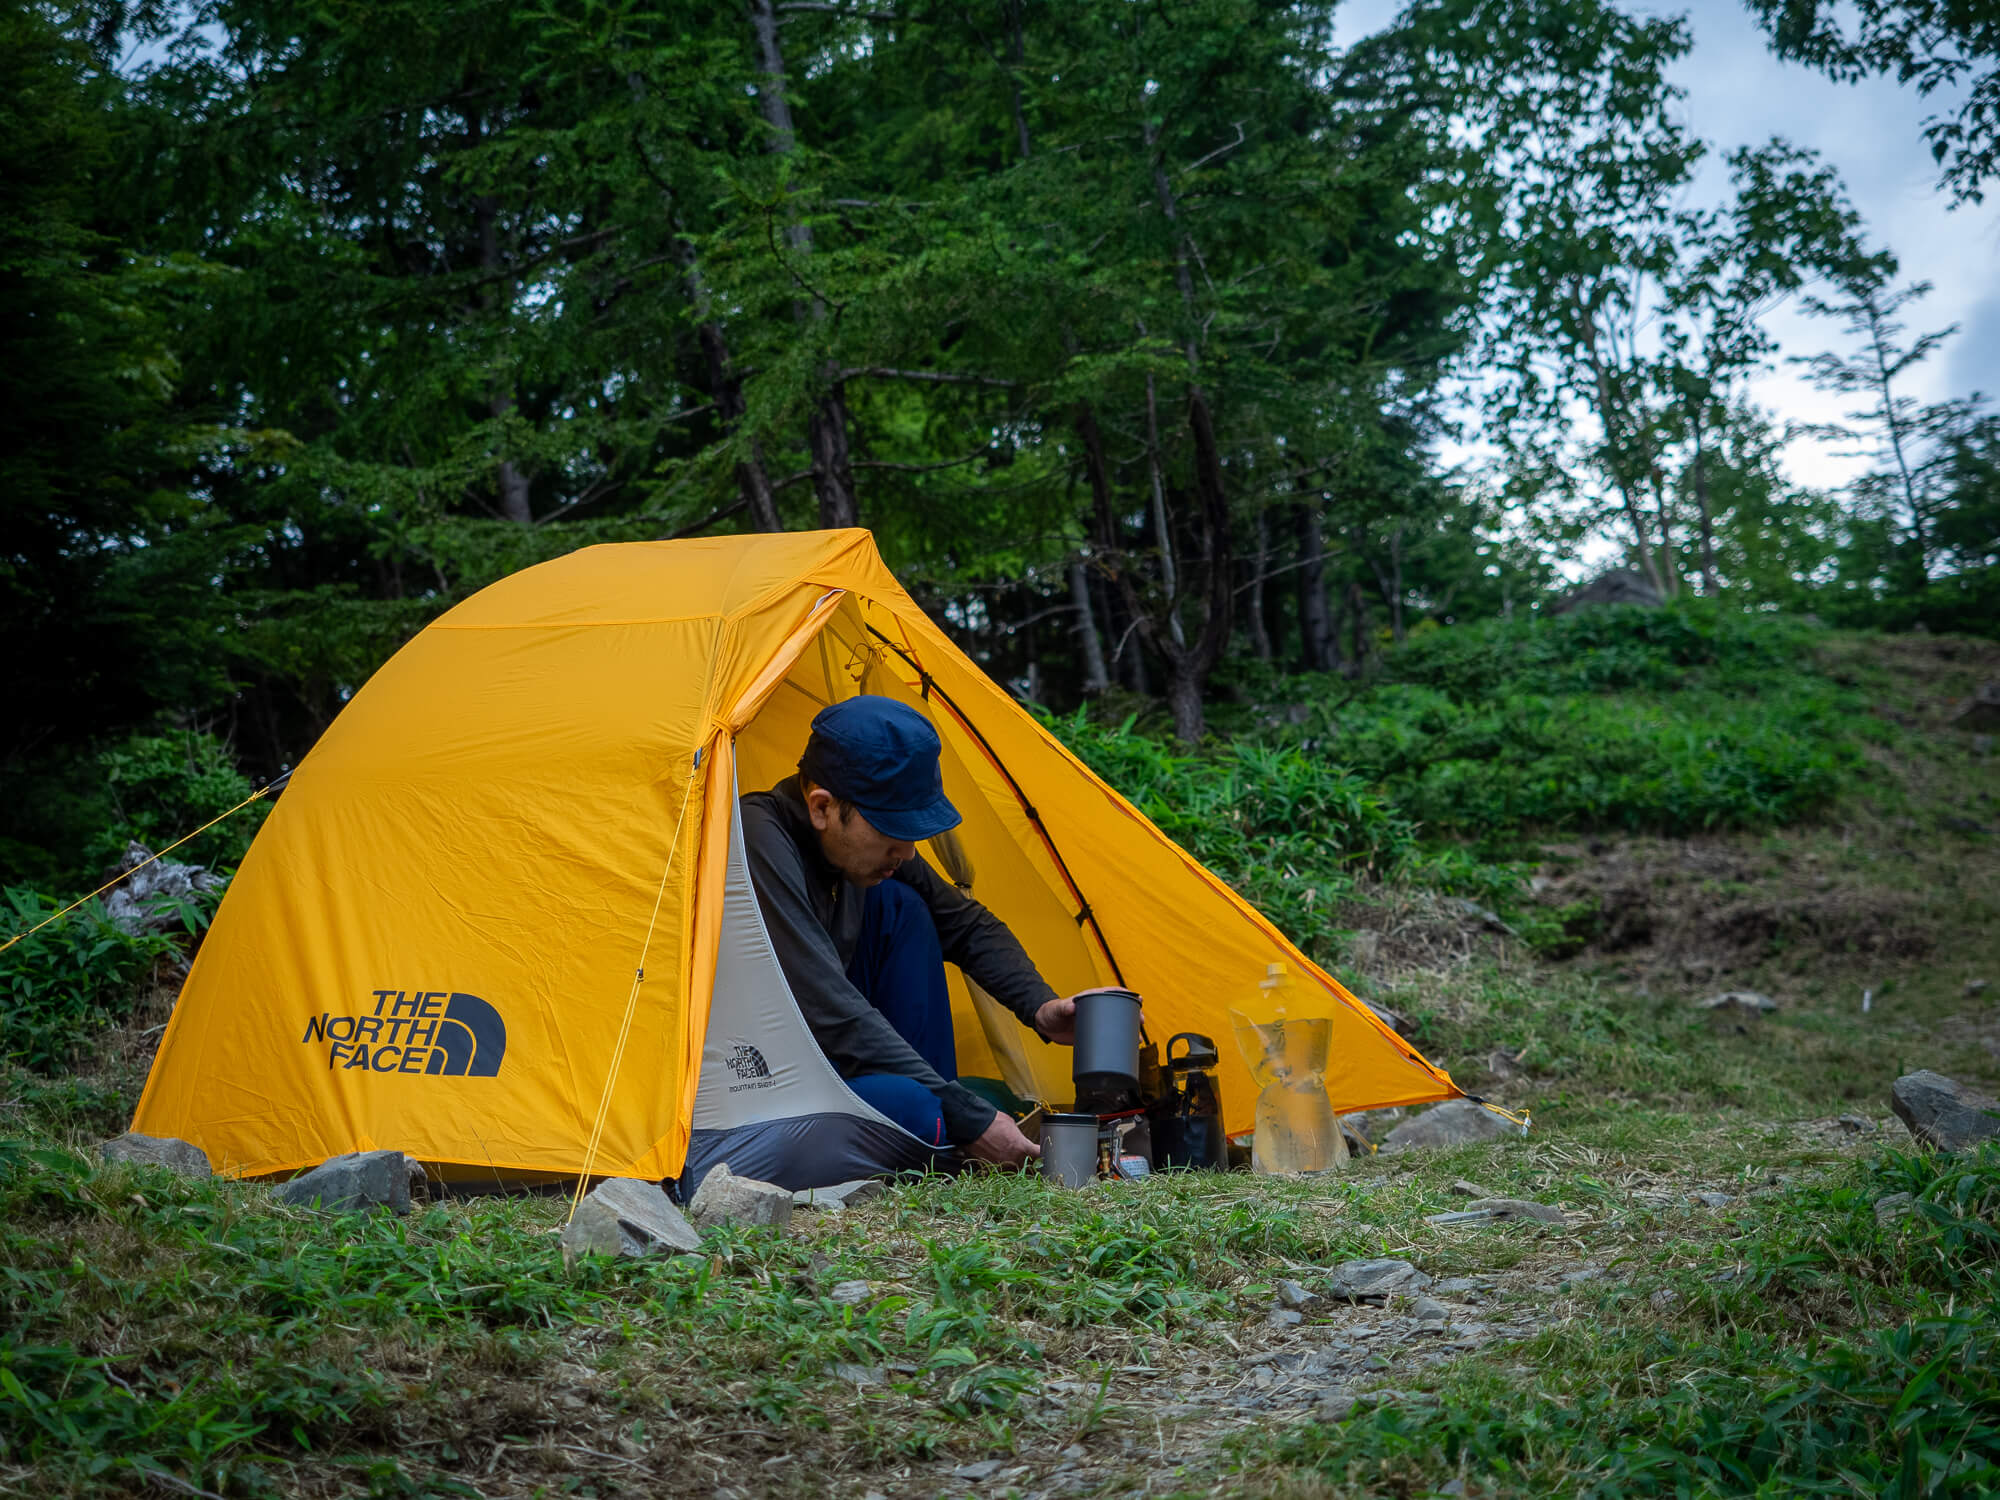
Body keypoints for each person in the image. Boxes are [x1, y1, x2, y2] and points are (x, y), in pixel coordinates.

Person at [740, 695, 1099, 1168]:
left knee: (903, 905)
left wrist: (1042, 1007)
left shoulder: (866, 850)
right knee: (918, 1111)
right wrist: (969, 1116)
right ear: (822, 807)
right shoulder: (757, 837)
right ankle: (944, 1127)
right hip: (766, 1078)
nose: (907, 852)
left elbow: (966, 925)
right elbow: (830, 1009)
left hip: (849, 1056)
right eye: (894, 830)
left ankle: (943, 1123)